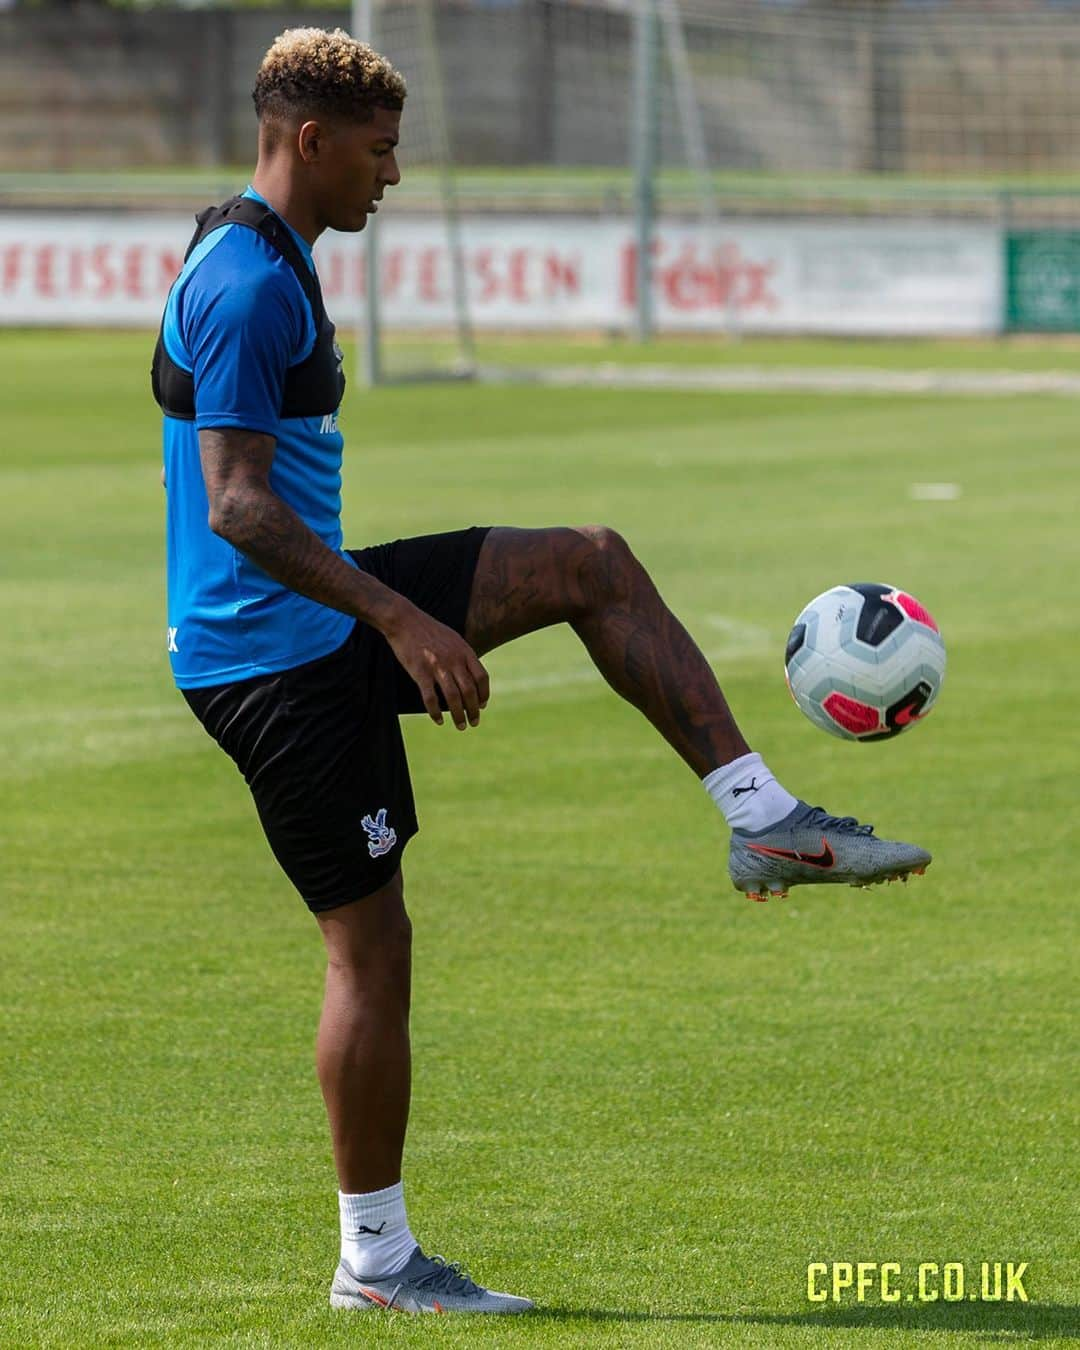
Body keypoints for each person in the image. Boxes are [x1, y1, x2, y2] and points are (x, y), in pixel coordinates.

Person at [152, 26, 931, 1317]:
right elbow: (237, 505)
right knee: (372, 953)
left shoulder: (266, 248)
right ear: (311, 141)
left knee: (590, 562)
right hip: (270, 657)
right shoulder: (245, 282)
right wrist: (403, 620)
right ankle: (378, 1264)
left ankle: (765, 820)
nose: (394, 175)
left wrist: (383, 613)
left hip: (309, 620)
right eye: (382, 150)